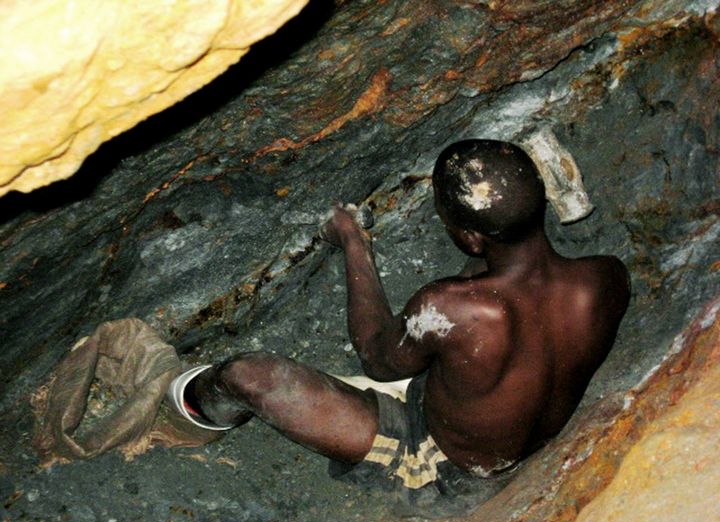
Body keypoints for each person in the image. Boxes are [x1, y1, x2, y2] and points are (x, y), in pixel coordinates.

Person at [167, 139, 629, 498]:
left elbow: (376, 356)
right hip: (515, 425)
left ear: (470, 238)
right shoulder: (608, 279)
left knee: (249, 376)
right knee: (481, 310)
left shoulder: (450, 307)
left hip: (445, 468)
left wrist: (352, 241)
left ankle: (195, 411)